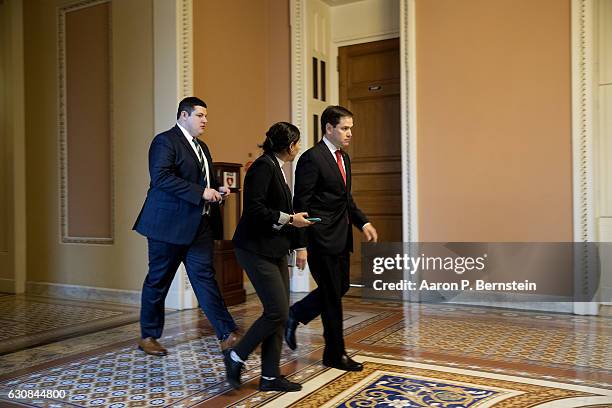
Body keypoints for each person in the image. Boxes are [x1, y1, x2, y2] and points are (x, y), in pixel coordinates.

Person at [133, 97, 239, 356]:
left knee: (205, 279)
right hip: (166, 227)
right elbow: (161, 178)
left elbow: (206, 181)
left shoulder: (202, 147)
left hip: (198, 226)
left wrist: (217, 189)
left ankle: (227, 334)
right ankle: (148, 336)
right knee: (158, 282)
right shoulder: (164, 141)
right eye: (200, 115)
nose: (205, 120)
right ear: (183, 115)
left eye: (206, 116)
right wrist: (202, 192)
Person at [285, 105, 378, 371]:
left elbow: (344, 200)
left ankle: (296, 314)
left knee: (340, 288)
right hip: (319, 238)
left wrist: (363, 222)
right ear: (329, 128)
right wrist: (300, 244)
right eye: (344, 128)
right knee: (332, 298)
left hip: (341, 236)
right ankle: (335, 354)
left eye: (351, 128)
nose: (350, 133)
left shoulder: (343, 158)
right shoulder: (311, 159)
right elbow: (300, 203)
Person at [224, 122, 312, 392]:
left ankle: (270, 376)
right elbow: (254, 209)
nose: (298, 147)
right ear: (288, 145)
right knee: (277, 311)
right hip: (254, 248)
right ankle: (236, 354)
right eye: (296, 142)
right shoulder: (263, 166)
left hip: (273, 248)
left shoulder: (278, 167)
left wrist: (298, 241)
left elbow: (288, 212)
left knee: (280, 314)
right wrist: (290, 219)